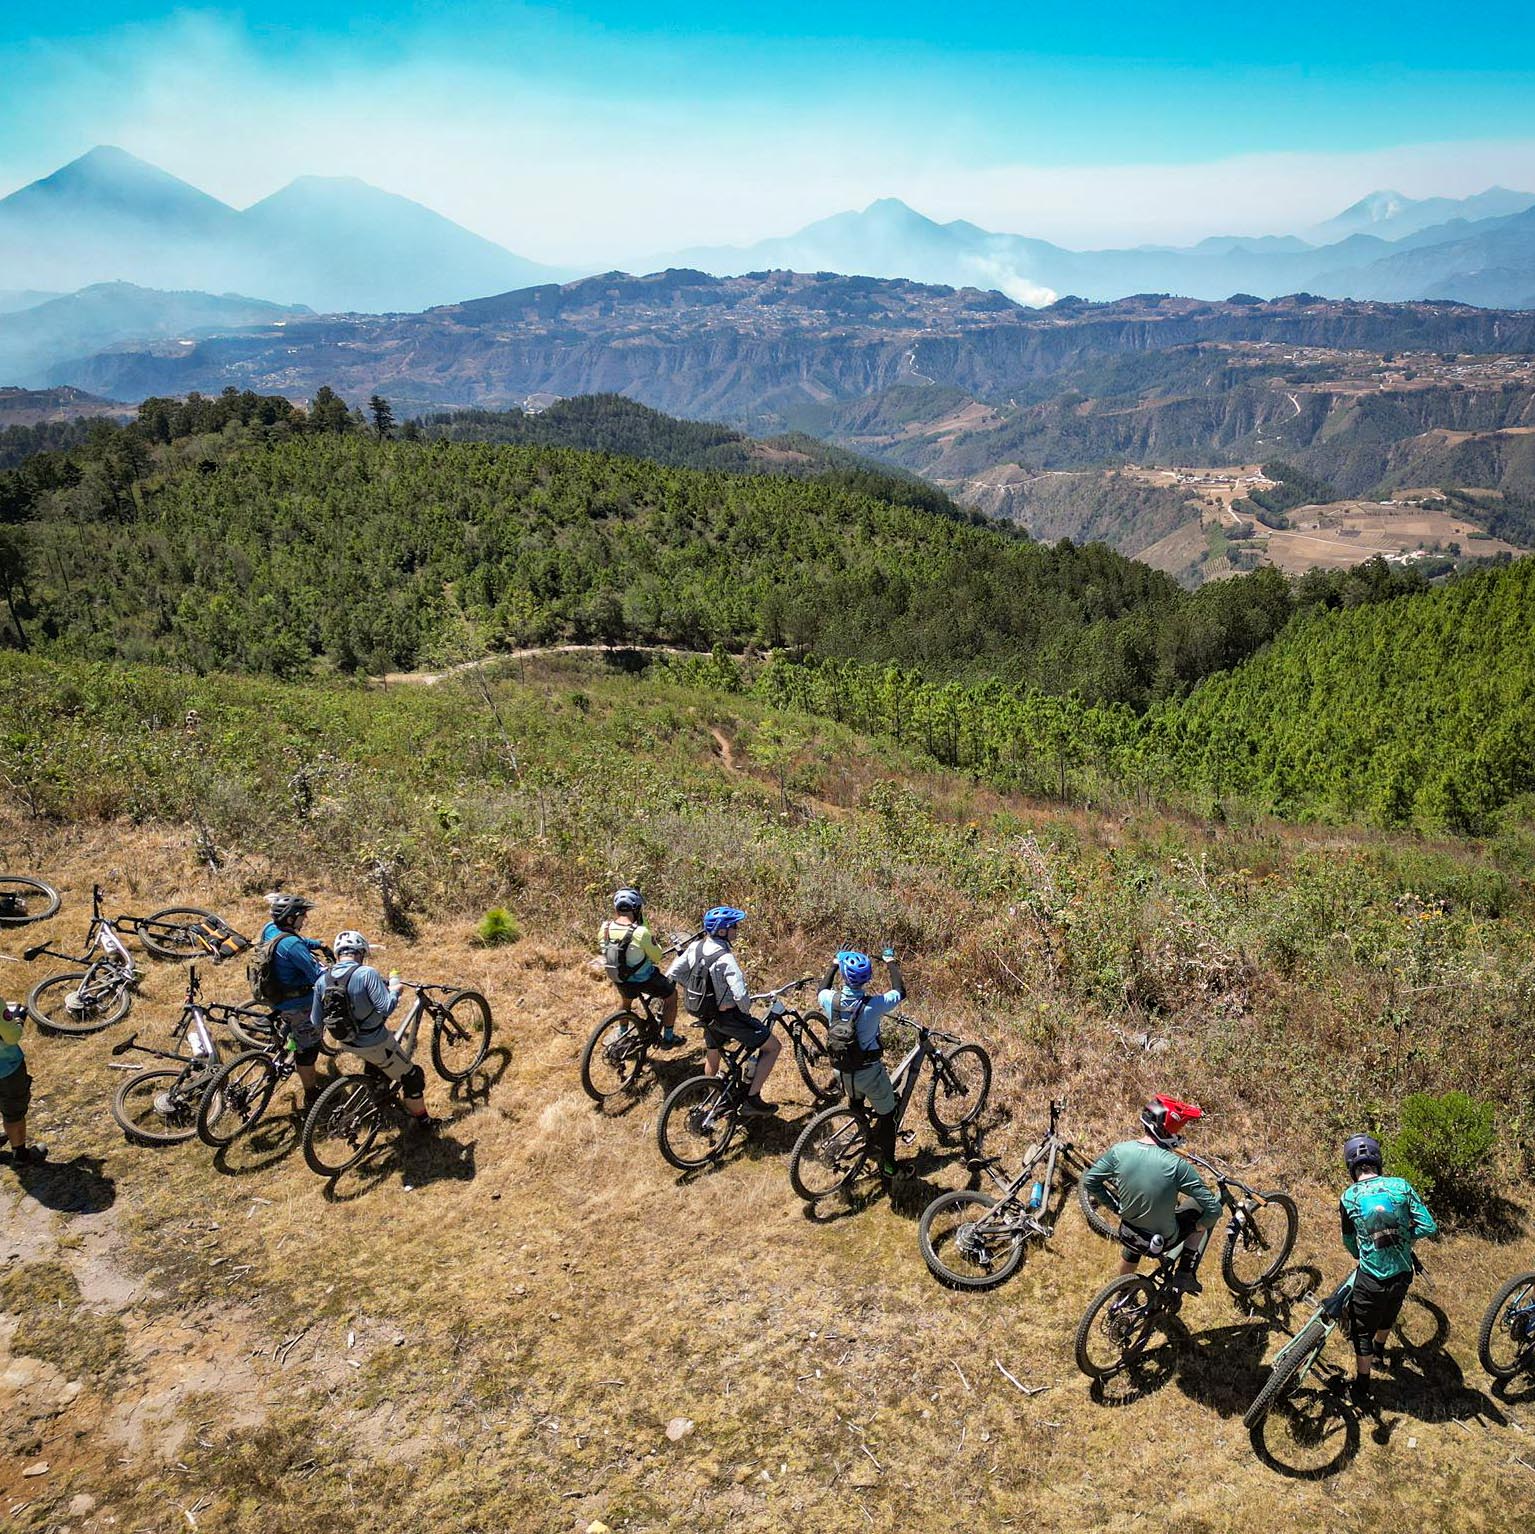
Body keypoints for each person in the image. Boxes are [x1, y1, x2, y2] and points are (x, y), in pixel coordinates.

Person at [1080, 1096, 1222, 1294]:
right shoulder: (1177, 1166)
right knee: (1198, 1206)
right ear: (1165, 1129)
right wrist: (1197, 1226)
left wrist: (1115, 1206)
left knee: (1138, 1228)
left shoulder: (1119, 1151)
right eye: (1177, 1129)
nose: (1178, 1134)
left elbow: (1090, 1180)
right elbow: (1214, 1210)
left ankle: (1121, 1292)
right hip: (1162, 1239)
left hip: (1128, 1230)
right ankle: (1185, 1272)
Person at [1338, 1132, 1437, 1400]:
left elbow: (1348, 1240)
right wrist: (1404, 1236)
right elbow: (1429, 1225)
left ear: (1351, 1166)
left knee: (1361, 1331)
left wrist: (1361, 1252)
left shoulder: (1348, 1197)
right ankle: (1380, 1352)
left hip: (1371, 1277)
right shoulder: (1402, 1186)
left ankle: (1362, 1386)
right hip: (1403, 1272)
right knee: (1389, 1313)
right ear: (1378, 1162)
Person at [311, 931, 435, 1131]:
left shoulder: (322, 980)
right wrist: (395, 992)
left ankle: (379, 1089)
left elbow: (316, 1022)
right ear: (360, 953)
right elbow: (386, 1008)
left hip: (346, 1041)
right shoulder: (366, 973)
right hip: (375, 1042)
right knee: (413, 1077)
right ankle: (425, 1122)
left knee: (378, 1066)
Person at [667, 906, 781, 1116]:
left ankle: (714, 1098)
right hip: (727, 1016)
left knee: (713, 1054)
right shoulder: (726, 958)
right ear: (722, 932)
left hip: (705, 1014)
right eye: (733, 927)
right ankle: (752, 1099)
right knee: (773, 1047)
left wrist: (698, 991)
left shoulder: (695, 947)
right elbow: (740, 994)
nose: (736, 930)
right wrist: (745, 1012)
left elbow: (673, 972)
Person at [819, 948, 905, 1180]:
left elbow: (822, 988)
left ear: (844, 977)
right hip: (869, 1073)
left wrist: (834, 963)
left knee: (856, 1099)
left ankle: (861, 1126)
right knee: (889, 1116)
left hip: (841, 1070)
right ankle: (888, 1165)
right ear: (867, 978)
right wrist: (890, 962)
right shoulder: (874, 1005)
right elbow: (900, 991)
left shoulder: (830, 1000)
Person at [256, 893, 328, 1106]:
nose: (304, 919)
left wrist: (318, 944)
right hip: (296, 1004)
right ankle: (311, 1094)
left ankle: (287, 1037)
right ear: (290, 919)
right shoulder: (293, 947)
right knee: (309, 1049)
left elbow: (296, 941)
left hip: (274, 993)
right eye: (302, 916)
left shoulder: (271, 929)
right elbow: (318, 975)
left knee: (294, 1029)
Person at [598, 887, 681, 1047]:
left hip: (619, 977)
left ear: (617, 908)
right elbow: (657, 957)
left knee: (626, 1001)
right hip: (644, 979)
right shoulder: (641, 932)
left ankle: (622, 1032)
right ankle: (668, 1038)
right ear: (636, 909)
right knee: (671, 996)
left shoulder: (605, 928)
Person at [0, 1001, 43, 1166]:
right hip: (6, 1069)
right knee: (13, 1111)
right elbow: (12, 1037)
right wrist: (17, 1020)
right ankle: (21, 1155)